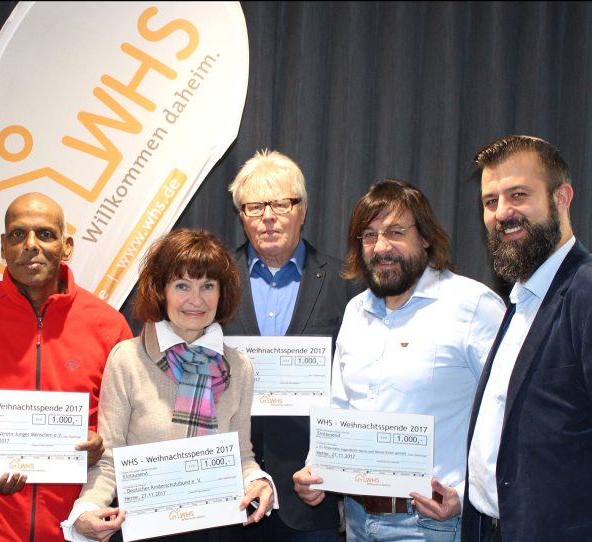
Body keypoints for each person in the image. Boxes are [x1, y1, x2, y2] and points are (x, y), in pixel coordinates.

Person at [293, 179, 506, 541]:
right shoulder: (355, 311)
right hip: (360, 523)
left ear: (425, 237)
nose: (381, 247)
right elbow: (340, 408)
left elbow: (509, 414)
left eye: (395, 232)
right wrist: (318, 469)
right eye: (369, 235)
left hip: (435, 524)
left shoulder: (473, 306)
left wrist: (470, 494)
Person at [0, 192, 132, 541]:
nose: (30, 245)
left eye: (45, 234)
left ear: (67, 246)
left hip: (75, 528)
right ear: (2, 246)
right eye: (17, 234)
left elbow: (124, 425)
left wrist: (100, 446)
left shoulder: (109, 326)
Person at [62, 228, 277, 542]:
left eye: (207, 285)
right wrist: (86, 509)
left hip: (216, 529)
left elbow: (242, 455)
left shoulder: (239, 367)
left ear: (222, 293)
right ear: (161, 291)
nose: (195, 299)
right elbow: (109, 459)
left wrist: (258, 480)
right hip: (143, 530)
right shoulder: (128, 359)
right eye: (181, 285)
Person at [223, 149, 358, 541]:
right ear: (241, 216)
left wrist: (332, 473)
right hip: (230, 493)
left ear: (303, 209)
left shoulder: (346, 283)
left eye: (281, 203)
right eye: (254, 206)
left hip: (311, 492)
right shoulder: (212, 283)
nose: (268, 216)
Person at [463, 135, 592, 541]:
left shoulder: (585, 290)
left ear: (562, 197)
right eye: (490, 201)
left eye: (518, 195)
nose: (502, 213)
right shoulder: (521, 300)